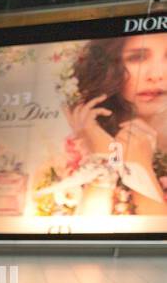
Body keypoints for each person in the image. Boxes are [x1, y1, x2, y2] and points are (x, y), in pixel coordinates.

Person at [66, 32, 167, 216]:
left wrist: (139, 166)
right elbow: (88, 235)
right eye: (138, 58)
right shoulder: (75, 147)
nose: (156, 75)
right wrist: (102, 154)